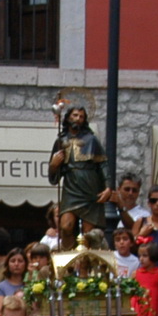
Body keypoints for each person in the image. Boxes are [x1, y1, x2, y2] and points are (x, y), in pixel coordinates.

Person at [48, 106, 113, 248]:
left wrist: (108, 187)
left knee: (88, 233)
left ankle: (85, 266)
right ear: (68, 117)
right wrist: (54, 165)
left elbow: (103, 164)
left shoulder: (91, 140)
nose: (78, 119)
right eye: (75, 115)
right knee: (66, 225)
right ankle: (67, 261)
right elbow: (54, 176)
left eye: (81, 117)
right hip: (71, 187)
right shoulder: (60, 141)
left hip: (90, 187)